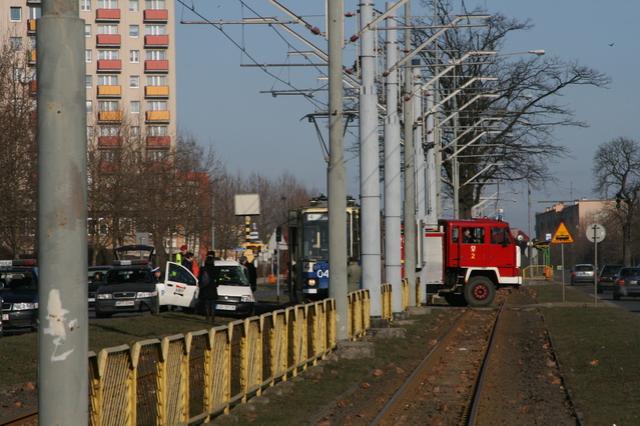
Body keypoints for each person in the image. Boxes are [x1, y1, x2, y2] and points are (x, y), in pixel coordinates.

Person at [198, 254, 218, 324]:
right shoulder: (215, 269)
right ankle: (213, 318)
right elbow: (217, 279)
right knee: (213, 304)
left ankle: (207, 317)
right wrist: (216, 284)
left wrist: (200, 285)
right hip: (212, 288)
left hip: (205, 288)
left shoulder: (202, 268)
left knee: (206, 304)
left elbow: (199, 278)